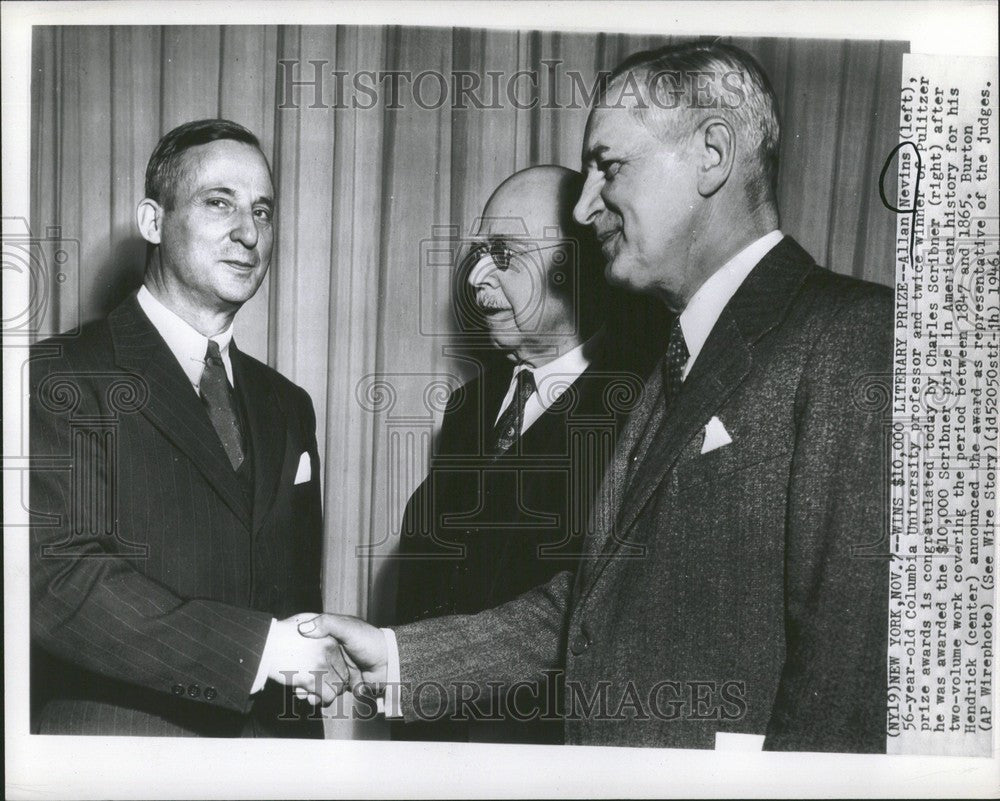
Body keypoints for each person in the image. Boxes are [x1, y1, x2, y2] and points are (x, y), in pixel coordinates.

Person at [300, 41, 893, 753]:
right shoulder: (675, 357)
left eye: (609, 167)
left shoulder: (857, 338)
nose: (585, 207)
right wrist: (398, 656)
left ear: (712, 154)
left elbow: (849, 682)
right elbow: (592, 605)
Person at [30, 119, 346, 737]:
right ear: (153, 221)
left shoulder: (289, 405)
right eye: (219, 202)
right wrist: (260, 652)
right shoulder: (59, 375)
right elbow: (59, 580)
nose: (249, 232)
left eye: (263, 210)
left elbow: (295, 608)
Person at [393, 165, 648, 743]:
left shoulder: (640, 413)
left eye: (504, 255)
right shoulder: (469, 409)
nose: (477, 278)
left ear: (579, 264)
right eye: (479, 253)